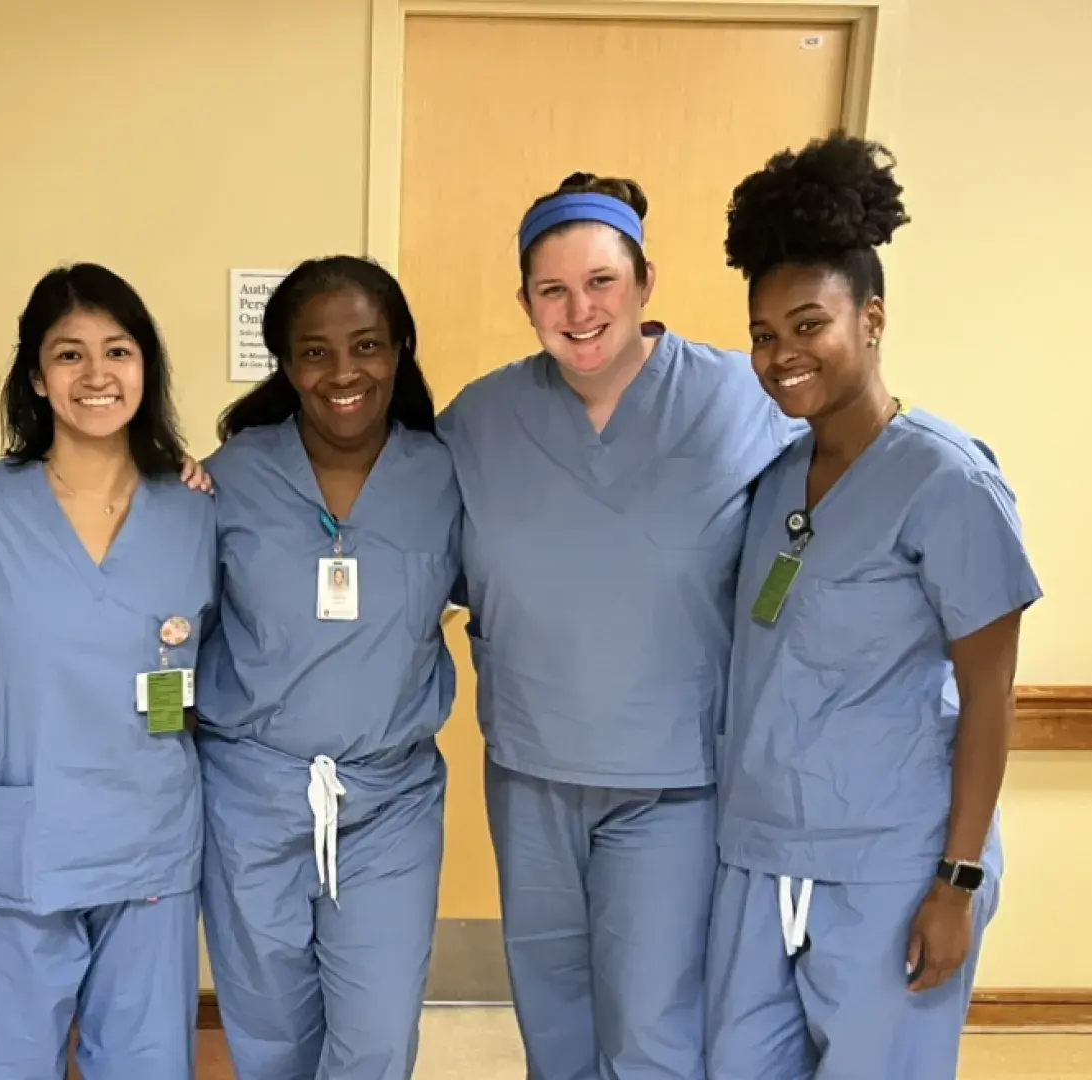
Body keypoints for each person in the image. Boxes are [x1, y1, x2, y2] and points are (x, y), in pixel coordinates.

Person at [434, 174, 798, 1079]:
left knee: (652, 1030)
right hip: (530, 773)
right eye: (552, 290)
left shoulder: (738, 400)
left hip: (673, 781)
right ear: (525, 303)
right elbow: (384, 511)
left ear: (645, 282)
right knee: (553, 1021)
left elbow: (844, 509)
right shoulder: (482, 419)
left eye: (601, 281)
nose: (580, 310)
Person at [707, 132, 1042, 1080]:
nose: (782, 356)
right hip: (761, 858)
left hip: (893, 866)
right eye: (764, 335)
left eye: (809, 324)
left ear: (873, 318)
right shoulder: (776, 481)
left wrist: (957, 881)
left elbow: (991, 695)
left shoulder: (947, 482)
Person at [195, 255, 461, 1080]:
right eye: (315, 351)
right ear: (286, 363)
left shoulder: (447, 476)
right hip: (251, 797)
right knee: (272, 1039)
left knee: (376, 1040)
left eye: (368, 345)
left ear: (401, 350)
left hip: (390, 801)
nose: (344, 372)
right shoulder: (227, 479)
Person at [0, 262, 217, 1080]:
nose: (96, 375)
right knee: (14, 1065)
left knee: (147, 1065)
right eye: (69, 355)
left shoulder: (200, 505)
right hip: (21, 846)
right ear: (36, 375)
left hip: (152, 844)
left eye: (118, 351)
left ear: (148, 367)